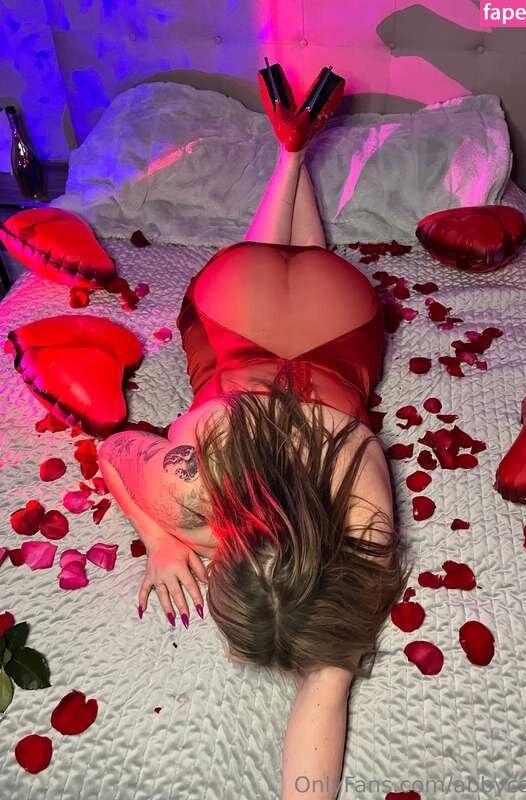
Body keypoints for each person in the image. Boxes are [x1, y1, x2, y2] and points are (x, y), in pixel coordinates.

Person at [98, 62, 410, 800]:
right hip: (238, 315)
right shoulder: (188, 490)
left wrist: (162, 541)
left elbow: (326, 685)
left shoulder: (363, 521)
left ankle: (292, 151)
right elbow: (113, 452)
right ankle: (291, 151)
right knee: (263, 270)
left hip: (335, 317)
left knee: (305, 267)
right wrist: (161, 539)